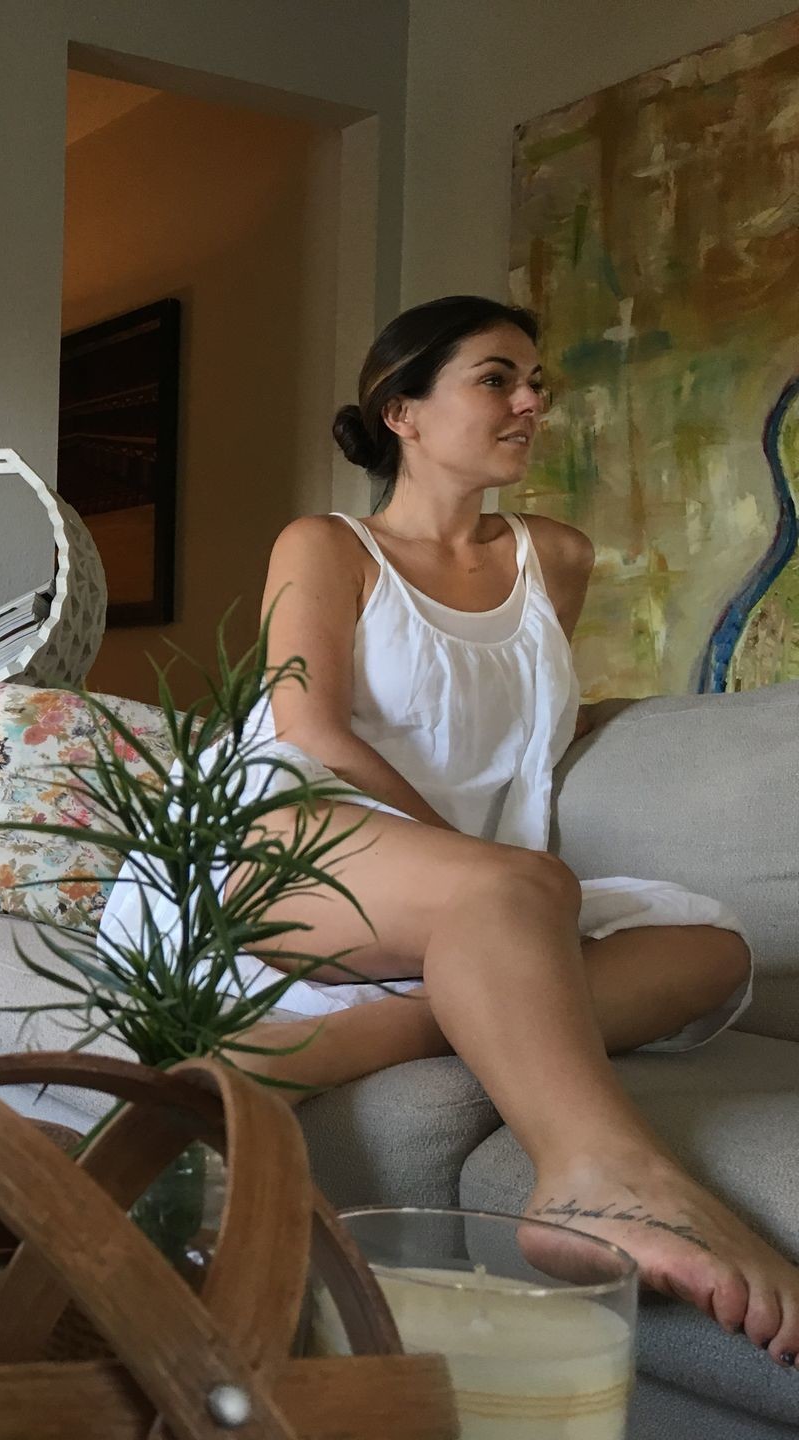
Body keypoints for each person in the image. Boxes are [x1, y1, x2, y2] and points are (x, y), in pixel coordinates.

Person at [100, 295, 798, 1364]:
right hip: (285, 844)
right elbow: (312, 729)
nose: (531, 404)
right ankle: (596, 1178)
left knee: (715, 953)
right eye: (496, 379)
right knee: (522, 889)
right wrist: (476, 865)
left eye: (536, 385)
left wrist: (503, 854)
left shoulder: (556, 558)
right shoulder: (327, 546)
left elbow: (516, 725)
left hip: (464, 892)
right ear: (403, 411)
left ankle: (377, 1030)